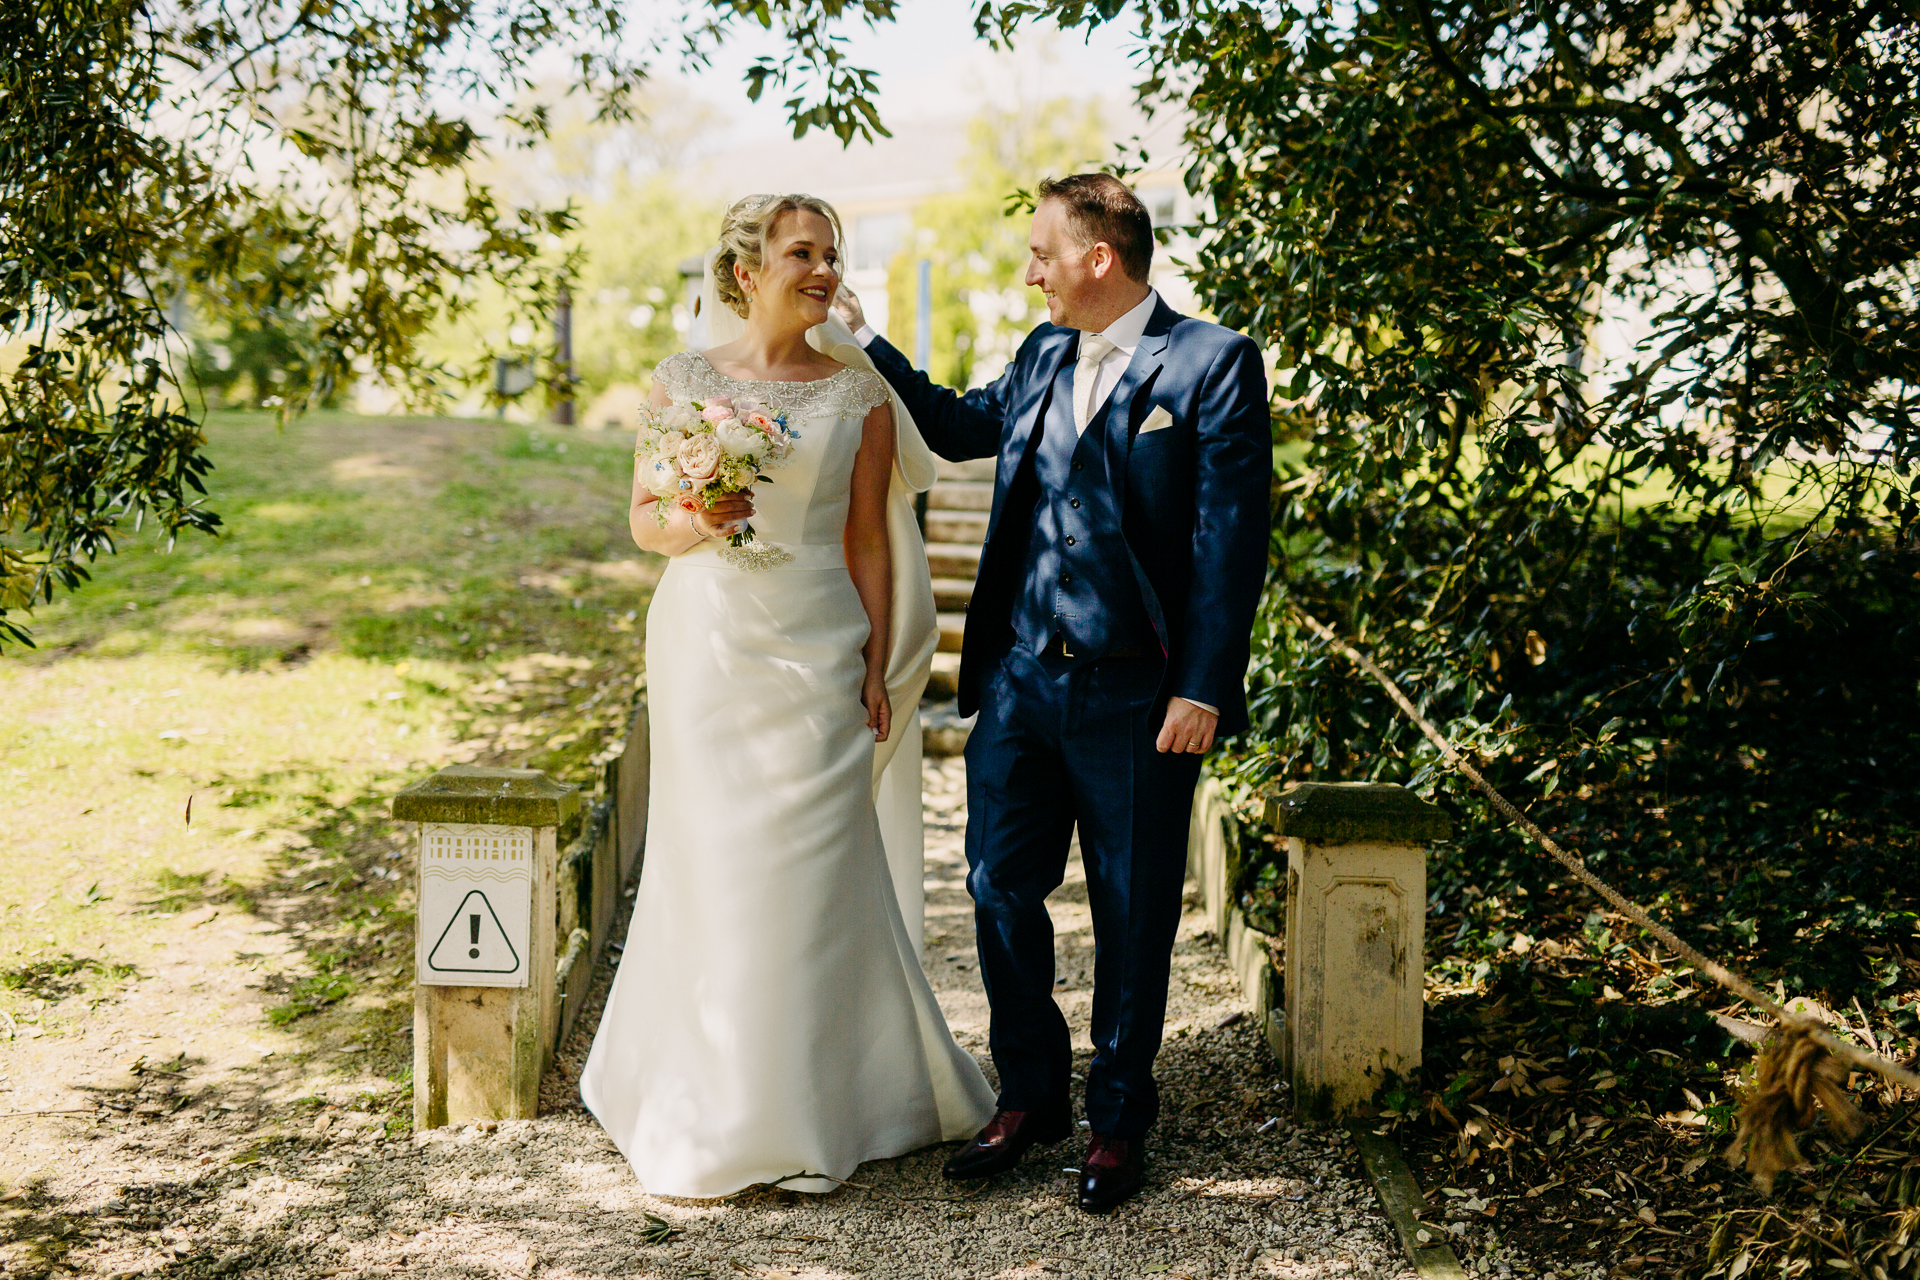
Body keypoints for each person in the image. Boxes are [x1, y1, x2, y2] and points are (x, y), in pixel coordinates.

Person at [834, 173, 1271, 1212]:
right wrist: (867, 339)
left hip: (1139, 696)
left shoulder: (1211, 363)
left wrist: (1203, 685)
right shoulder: (1038, 354)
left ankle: (1119, 1116)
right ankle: (1030, 1091)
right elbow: (953, 426)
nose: (1030, 269)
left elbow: (1230, 542)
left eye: (1041, 250)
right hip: (1024, 680)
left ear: (1097, 258)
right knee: (995, 882)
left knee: (1132, 915)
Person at [579, 193, 996, 1199]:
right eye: (802, 252)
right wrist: (698, 514)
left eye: (831, 253)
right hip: (707, 647)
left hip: (819, 649)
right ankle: (711, 1100)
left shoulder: (857, 398)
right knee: (712, 862)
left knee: (812, 867)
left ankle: (816, 1104)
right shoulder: (680, 380)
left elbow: (863, 538)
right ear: (746, 271)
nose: (822, 268)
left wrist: (879, 659)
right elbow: (646, 522)